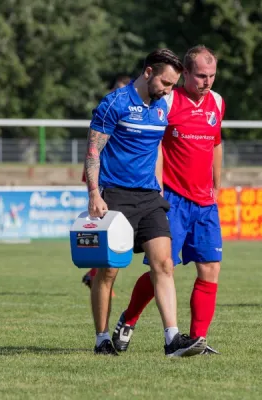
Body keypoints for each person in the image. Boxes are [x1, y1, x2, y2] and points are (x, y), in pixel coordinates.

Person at [85, 48, 206, 357]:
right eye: (165, 83)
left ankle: (172, 340)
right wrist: (94, 194)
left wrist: (161, 187)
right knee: (108, 272)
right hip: (115, 196)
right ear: (148, 73)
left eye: (172, 85)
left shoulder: (163, 106)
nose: (168, 91)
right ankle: (101, 340)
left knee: (164, 264)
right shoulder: (114, 103)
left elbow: (157, 151)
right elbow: (93, 151)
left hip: (150, 198)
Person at [111, 45, 224, 354]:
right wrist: (158, 187)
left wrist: (217, 185)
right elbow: (153, 143)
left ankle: (197, 339)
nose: (207, 82)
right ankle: (129, 318)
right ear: (185, 73)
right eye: (201, 75)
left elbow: (215, 143)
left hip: (205, 203)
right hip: (173, 199)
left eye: (212, 76)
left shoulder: (217, 102)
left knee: (210, 268)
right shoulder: (168, 101)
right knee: (164, 268)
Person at [81, 75, 131, 291]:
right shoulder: (107, 110)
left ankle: (95, 274)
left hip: (129, 184)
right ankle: (96, 275)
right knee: (104, 232)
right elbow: (94, 149)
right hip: (106, 184)